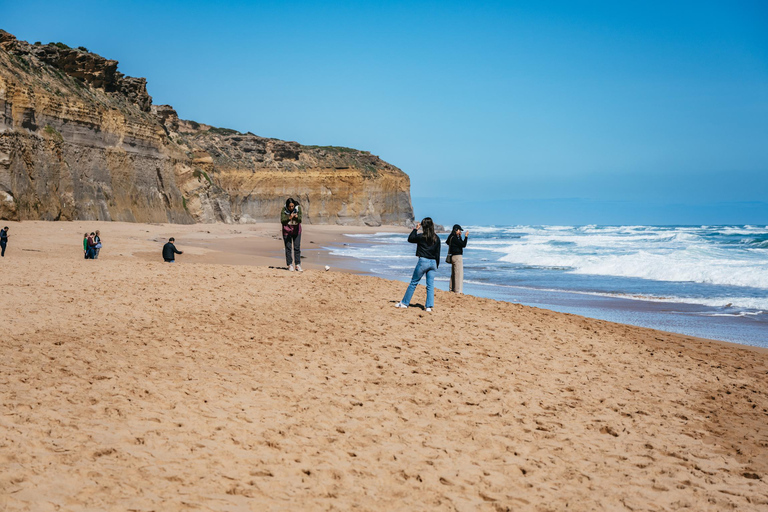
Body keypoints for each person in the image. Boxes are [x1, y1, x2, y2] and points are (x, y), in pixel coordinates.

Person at [395, 217, 441, 312]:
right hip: (433, 262)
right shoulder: (437, 238)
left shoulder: (421, 236)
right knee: (430, 285)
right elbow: (438, 253)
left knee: (413, 282)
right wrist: (436, 264)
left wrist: (416, 229)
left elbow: (410, 239)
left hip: (423, 261)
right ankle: (428, 306)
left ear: (423, 226)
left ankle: (404, 303)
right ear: (432, 226)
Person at [280, 197, 303, 272]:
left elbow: (300, 220)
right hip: (287, 231)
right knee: (288, 248)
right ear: (287, 206)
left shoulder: (298, 208)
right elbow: (282, 221)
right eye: (289, 206)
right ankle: (289, 264)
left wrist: (296, 218)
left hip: (296, 231)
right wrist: (289, 217)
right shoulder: (284, 210)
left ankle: (297, 264)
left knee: (297, 248)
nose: (291, 208)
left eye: (292, 206)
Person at [445, 224, 469, 293]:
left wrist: (459, 237)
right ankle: (457, 290)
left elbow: (447, 242)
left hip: (452, 256)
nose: (460, 232)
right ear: (456, 230)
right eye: (459, 230)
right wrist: (466, 236)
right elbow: (463, 244)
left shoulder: (451, 237)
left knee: (453, 274)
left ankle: (451, 289)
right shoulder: (455, 238)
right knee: (458, 274)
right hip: (457, 257)